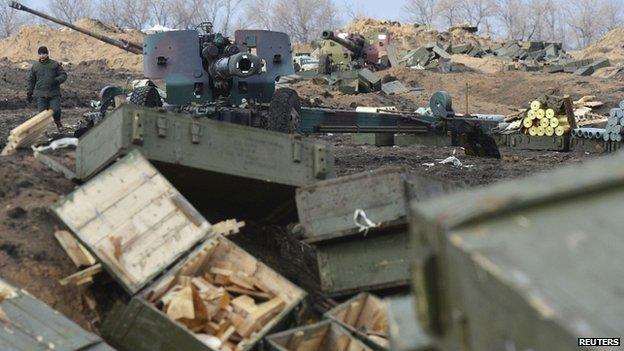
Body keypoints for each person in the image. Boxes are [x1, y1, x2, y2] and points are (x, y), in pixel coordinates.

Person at [27, 46, 67, 131]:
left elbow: (63, 75)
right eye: (40, 54)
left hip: (54, 93)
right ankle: (43, 131)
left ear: (47, 54)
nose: (42, 56)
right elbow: (31, 80)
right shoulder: (35, 66)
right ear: (38, 55)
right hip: (41, 94)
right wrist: (29, 93)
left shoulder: (54, 64)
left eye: (44, 54)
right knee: (41, 115)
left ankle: (58, 123)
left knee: (56, 110)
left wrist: (56, 80)